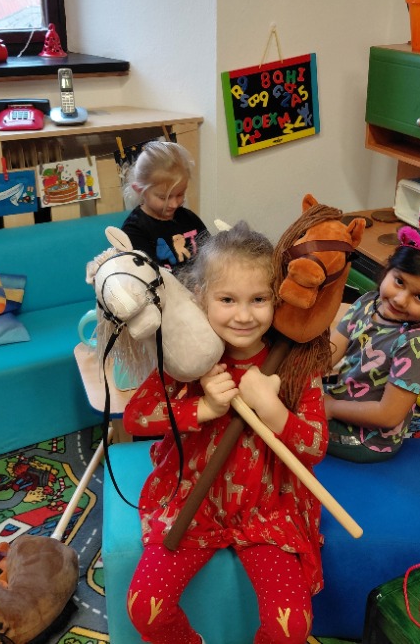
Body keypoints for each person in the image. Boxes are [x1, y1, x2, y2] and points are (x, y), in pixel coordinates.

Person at [123, 222, 327, 644]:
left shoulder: (294, 364)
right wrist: (204, 408)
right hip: (192, 502)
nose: (244, 315)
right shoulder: (188, 361)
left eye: (258, 299)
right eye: (228, 299)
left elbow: (315, 446)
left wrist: (271, 408)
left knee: (291, 628)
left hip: (268, 508)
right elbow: (136, 418)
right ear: (201, 297)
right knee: (146, 608)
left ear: (277, 298)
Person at [324, 225, 420, 462]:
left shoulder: (417, 344)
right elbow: (328, 355)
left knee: (282, 422)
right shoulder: (369, 302)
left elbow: (388, 415)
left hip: (367, 440)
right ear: (389, 266)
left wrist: (330, 407)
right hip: (339, 405)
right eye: (399, 281)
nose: (400, 300)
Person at [121, 139, 207, 272]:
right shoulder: (134, 230)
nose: (174, 204)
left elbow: (211, 253)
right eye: (163, 197)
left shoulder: (188, 218)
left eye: (180, 194)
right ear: (140, 190)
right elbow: (148, 277)